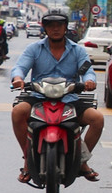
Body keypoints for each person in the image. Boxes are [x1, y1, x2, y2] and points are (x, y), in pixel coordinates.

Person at [10, 12, 104, 183]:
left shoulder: (78, 50)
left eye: (59, 25)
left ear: (65, 27)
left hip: (69, 98)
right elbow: (19, 68)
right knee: (17, 112)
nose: (55, 29)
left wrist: (90, 81)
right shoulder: (34, 49)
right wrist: (18, 79)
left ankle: (82, 160)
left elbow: (89, 70)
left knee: (97, 119)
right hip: (39, 97)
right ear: (44, 28)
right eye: (50, 25)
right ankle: (27, 160)